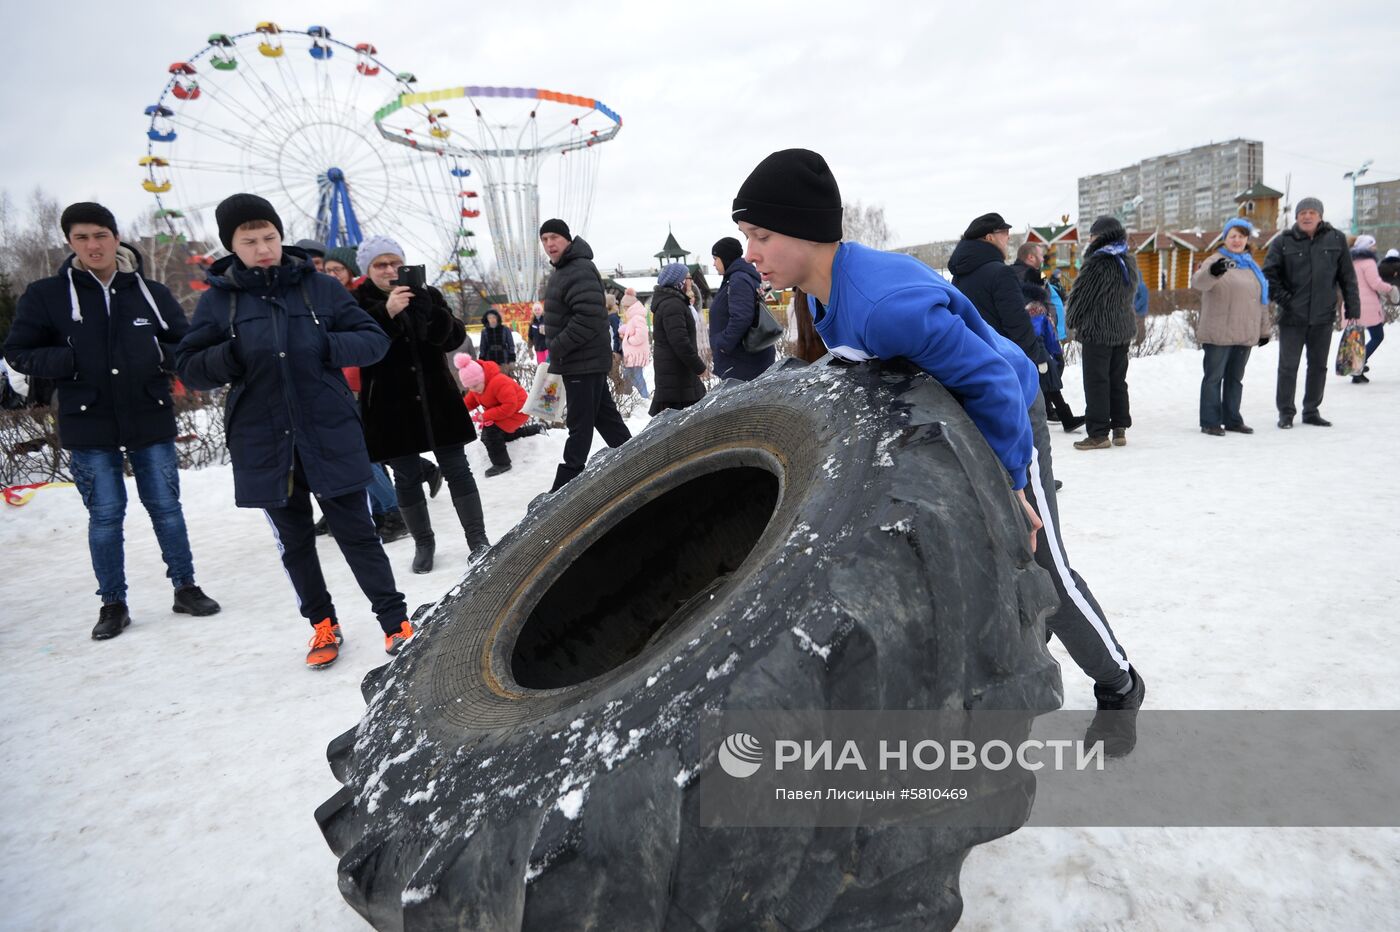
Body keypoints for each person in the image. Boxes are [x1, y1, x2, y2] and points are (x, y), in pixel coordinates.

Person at [733, 149, 1143, 754]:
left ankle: (1118, 684)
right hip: (950, 423)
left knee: (1037, 561)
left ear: (807, 231)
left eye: (761, 235)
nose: (750, 254)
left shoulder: (882, 306)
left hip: (1005, 415)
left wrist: (1011, 486)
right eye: (746, 237)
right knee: (983, 562)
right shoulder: (823, 293)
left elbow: (995, 384)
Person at [176, 194, 410, 667]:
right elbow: (189, 366)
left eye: (270, 238)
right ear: (232, 246)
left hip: (328, 430)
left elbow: (373, 339)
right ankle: (322, 623)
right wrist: (230, 356)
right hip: (264, 440)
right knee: (296, 542)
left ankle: (394, 620)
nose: (263, 248)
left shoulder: (319, 289)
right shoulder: (219, 301)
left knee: (358, 533)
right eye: (250, 241)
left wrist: (322, 343)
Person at [4, 201, 221, 639]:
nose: (93, 245)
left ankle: (186, 587)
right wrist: (70, 359)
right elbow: (18, 352)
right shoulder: (46, 296)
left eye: (100, 235)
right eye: (82, 237)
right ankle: (113, 603)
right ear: (69, 243)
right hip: (87, 422)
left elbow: (185, 345)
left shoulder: (150, 293)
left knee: (166, 508)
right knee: (105, 515)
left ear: (116, 237)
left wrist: (158, 354)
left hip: (149, 414)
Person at [354, 235, 490, 573]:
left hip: (436, 399)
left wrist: (427, 310)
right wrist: (386, 314)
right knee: (406, 476)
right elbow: (355, 349)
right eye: (380, 265)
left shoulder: (428, 295)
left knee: (458, 468)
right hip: (390, 405)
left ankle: (478, 540)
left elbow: (455, 338)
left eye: (395, 263)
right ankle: (423, 543)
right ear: (368, 270)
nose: (389, 270)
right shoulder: (357, 304)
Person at [538, 218, 632, 491]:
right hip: (581, 361)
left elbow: (589, 317)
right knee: (609, 423)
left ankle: (562, 490)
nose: (549, 244)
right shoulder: (565, 270)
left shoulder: (577, 268)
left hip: (581, 362)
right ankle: (636, 461)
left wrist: (557, 347)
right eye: (544, 239)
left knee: (580, 428)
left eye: (554, 237)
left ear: (567, 239)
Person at [1263, 197, 1360, 428]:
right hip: (1291, 318)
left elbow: (1347, 277)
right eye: (1303, 212)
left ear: (1320, 215)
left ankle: (1311, 410)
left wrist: (1353, 308)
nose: (1307, 216)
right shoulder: (1283, 242)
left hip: (1323, 316)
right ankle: (1286, 413)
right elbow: (1269, 275)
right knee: (1288, 367)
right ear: (1296, 216)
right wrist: (1287, 301)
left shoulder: (1336, 239)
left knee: (1318, 366)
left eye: (1311, 212)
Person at [1191, 218, 1273, 435]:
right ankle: (1210, 421)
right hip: (1219, 332)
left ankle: (1232, 419)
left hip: (1244, 333)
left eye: (1241, 236)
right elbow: (1198, 282)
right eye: (1232, 236)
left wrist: (1264, 331)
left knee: (1235, 379)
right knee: (1213, 378)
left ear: (1247, 239)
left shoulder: (1252, 266)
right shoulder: (1215, 260)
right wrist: (1214, 272)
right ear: (1225, 238)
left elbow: (1261, 301)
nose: (1237, 240)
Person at [1067, 216, 1141, 450]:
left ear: (1099, 237)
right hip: (1122, 328)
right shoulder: (1127, 260)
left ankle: (1098, 433)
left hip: (1098, 330)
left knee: (1096, 381)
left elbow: (1081, 297)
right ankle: (1119, 428)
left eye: (1092, 235)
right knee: (1117, 379)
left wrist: (1072, 320)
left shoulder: (1097, 262)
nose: (1089, 239)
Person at [949, 213, 1054, 376]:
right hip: (1005, 366)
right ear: (990, 237)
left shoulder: (959, 275)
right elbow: (1017, 324)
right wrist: (1033, 358)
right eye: (1004, 233)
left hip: (973, 363)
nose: (1009, 238)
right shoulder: (1001, 273)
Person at [455, 354, 545, 476]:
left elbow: (509, 406)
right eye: (469, 387)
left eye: (475, 386)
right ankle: (536, 429)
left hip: (518, 411)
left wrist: (486, 416)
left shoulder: (499, 382)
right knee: (501, 435)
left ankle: (502, 463)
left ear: (482, 378)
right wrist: (457, 412)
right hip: (504, 411)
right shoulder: (477, 387)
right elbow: (469, 402)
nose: (473, 390)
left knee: (490, 432)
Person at [708, 236, 775, 381]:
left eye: (715, 258)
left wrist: (723, 343)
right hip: (743, 359)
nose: (713, 264)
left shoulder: (738, 279)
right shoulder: (737, 277)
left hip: (742, 361)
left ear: (725, 258)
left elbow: (742, 317)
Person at [649, 263, 707, 416]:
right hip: (675, 376)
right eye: (688, 277)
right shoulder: (672, 305)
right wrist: (699, 367)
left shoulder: (674, 302)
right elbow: (680, 341)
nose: (691, 282)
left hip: (677, 374)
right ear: (678, 281)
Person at [1345, 234, 1397, 383]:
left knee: (1357, 337)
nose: (1375, 247)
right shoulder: (1368, 262)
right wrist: (1391, 288)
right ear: (1367, 247)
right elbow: (1375, 283)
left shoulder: (1350, 262)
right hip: (1366, 305)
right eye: (1373, 244)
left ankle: (1357, 368)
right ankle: (1358, 365)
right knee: (1377, 336)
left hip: (1352, 304)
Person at [1027, 295, 1083, 431]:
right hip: (1042, 355)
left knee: (1047, 387)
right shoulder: (1037, 312)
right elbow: (1038, 336)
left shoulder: (1036, 311)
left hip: (1043, 354)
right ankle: (1067, 419)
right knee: (1052, 386)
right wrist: (1045, 358)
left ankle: (1050, 413)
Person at [617, 288, 651, 398]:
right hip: (633, 353)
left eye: (625, 307)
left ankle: (644, 396)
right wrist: (624, 331)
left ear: (629, 306)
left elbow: (641, 334)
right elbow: (633, 329)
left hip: (636, 354)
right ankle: (628, 396)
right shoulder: (634, 317)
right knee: (628, 374)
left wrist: (628, 340)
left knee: (636, 375)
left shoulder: (637, 317)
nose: (624, 309)